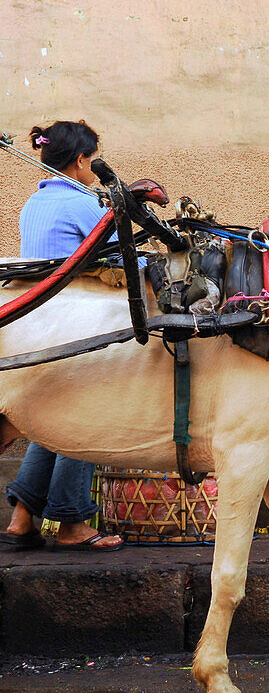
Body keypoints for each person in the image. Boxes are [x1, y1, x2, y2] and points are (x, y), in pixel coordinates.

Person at [1, 120, 123, 551]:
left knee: (51, 421)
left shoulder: (36, 203)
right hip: (77, 323)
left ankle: (22, 517)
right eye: (92, 160)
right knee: (86, 417)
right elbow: (118, 256)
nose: (93, 167)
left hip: (42, 322)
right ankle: (71, 524)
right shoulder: (79, 203)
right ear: (80, 160)